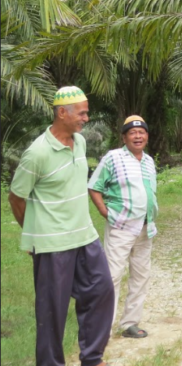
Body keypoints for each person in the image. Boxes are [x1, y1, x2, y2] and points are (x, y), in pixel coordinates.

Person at [7, 86, 114, 366]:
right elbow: (17, 197)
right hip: (52, 244)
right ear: (62, 113)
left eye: (87, 113)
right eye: (82, 113)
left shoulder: (79, 142)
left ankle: (92, 357)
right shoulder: (37, 153)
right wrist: (35, 233)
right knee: (51, 312)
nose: (86, 118)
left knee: (101, 290)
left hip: (85, 236)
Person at [88, 115, 158, 339]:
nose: (138, 136)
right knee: (113, 276)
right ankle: (103, 330)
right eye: (132, 133)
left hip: (145, 228)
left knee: (141, 276)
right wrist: (104, 212)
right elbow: (94, 187)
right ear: (124, 137)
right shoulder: (113, 158)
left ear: (147, 136)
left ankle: (130, 323)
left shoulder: (148, 160)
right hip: (121, 227)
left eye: (142, 132)